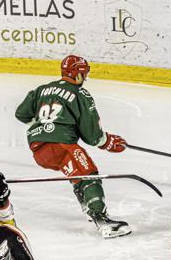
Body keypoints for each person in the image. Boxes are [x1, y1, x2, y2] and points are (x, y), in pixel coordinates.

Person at [15, 55, 131, 239]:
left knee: (75, 171)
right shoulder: (80, 94)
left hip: (38, 149)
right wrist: (108, 141)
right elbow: (92, 135)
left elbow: (21, 114)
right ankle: (102, 220)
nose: (85, 78)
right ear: (77, 74)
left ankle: (87, 205)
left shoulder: (41, 90)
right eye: (84, 73)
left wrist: (44, 128)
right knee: (89, 173)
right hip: (61, 144)